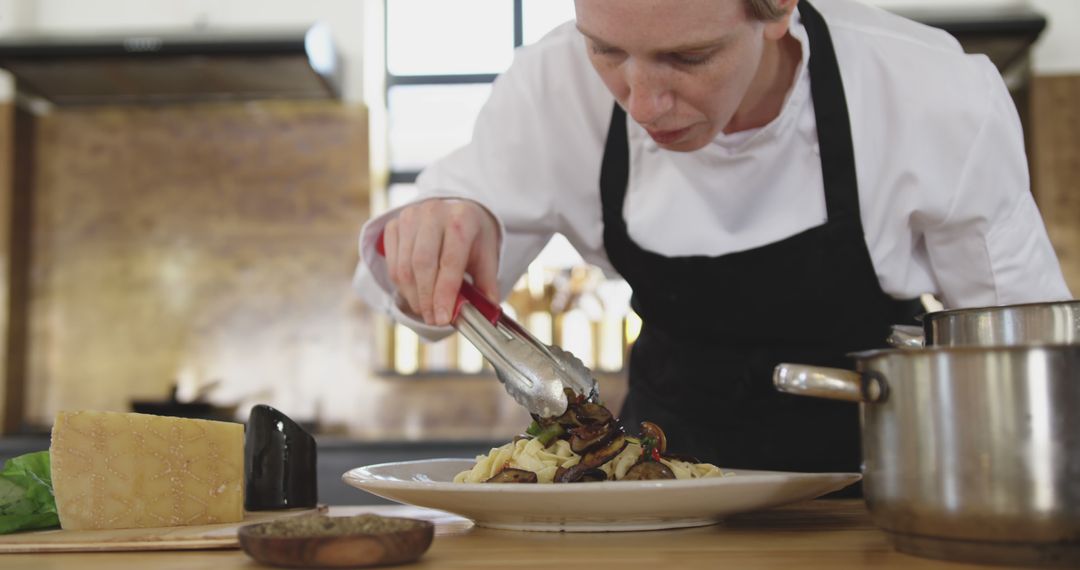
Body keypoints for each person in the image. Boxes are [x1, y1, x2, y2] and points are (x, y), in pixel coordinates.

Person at [354, 0, 1071, 477]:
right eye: (607, 51)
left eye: (688, 58)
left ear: (777, 10)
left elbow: (1027, 358)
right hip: (657, 494)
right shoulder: (552, 85)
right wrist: (441, 232)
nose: (643, 102)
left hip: (878, 492)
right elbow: (426, 297)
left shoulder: (928, 92)